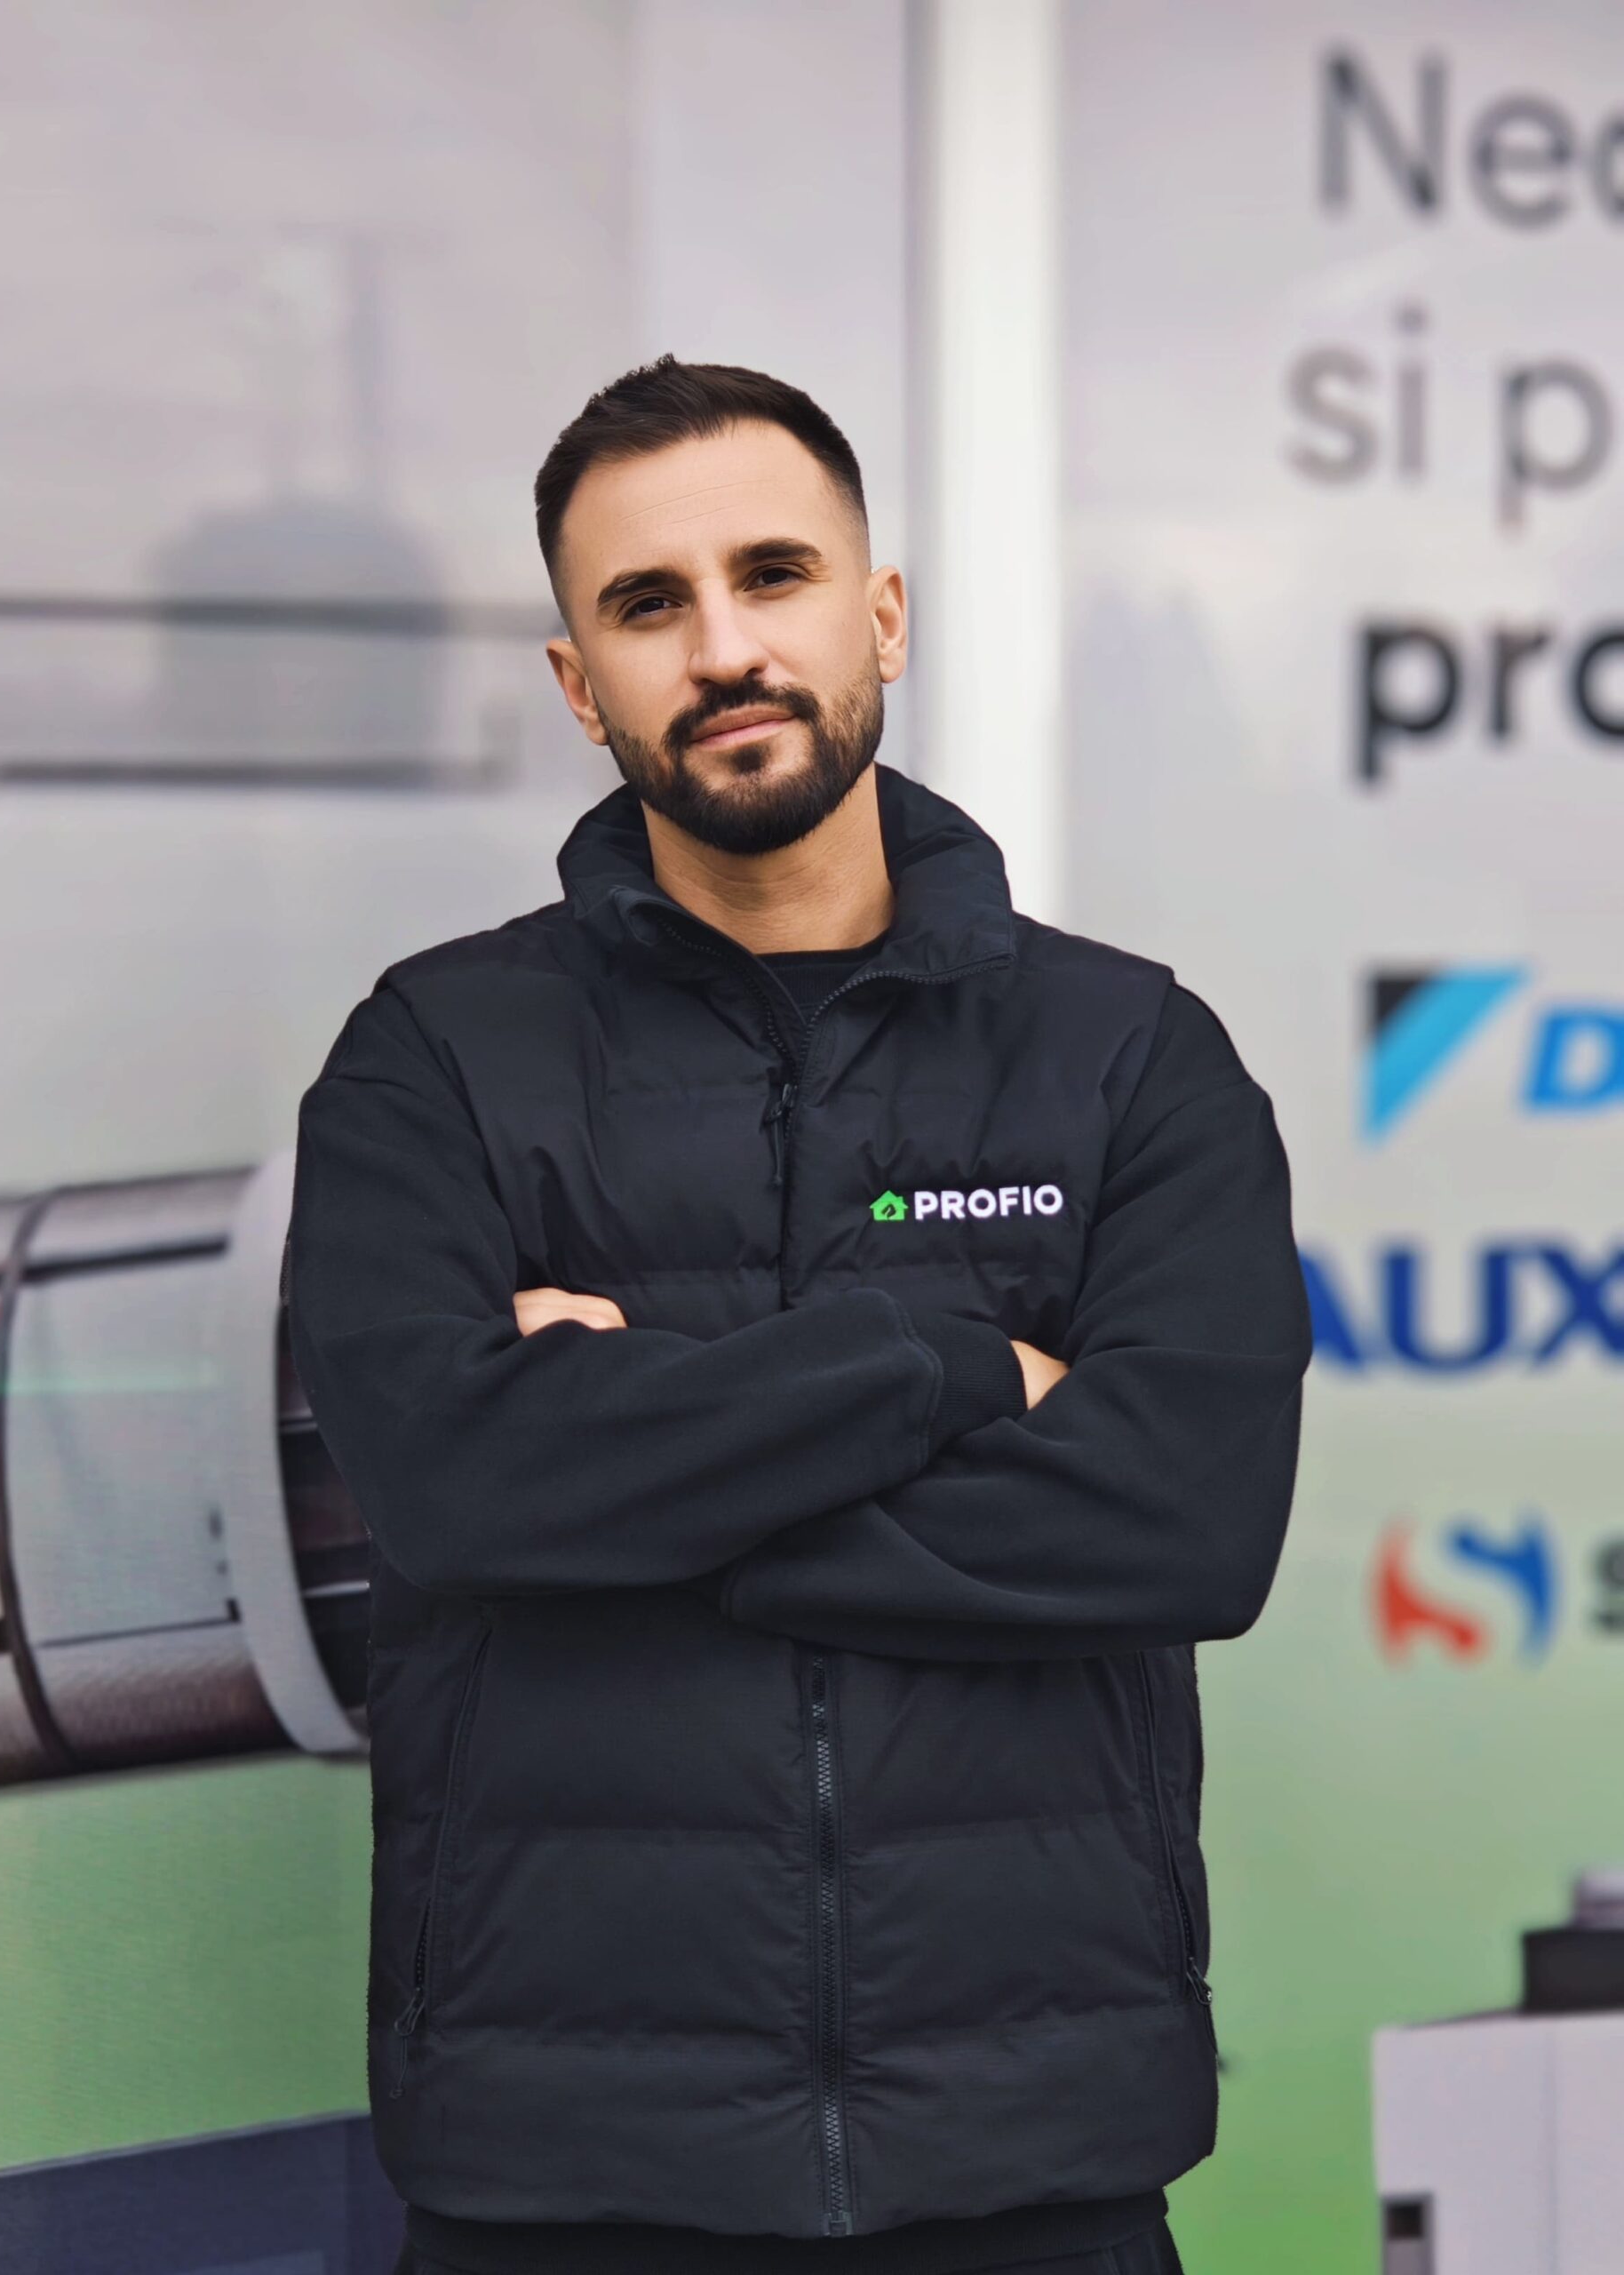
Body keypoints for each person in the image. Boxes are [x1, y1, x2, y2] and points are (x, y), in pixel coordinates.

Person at [284, 356, 1313, 2275]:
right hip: (565, 2173)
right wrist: (940, 1364)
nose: (725, 648)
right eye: (648, 603)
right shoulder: (435, 1059)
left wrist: (629, 1479)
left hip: (1030, 2156)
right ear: (580, 682)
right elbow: (459, 1493)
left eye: (775, 574)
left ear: (882, 615)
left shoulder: (1129, 1058)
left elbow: (1183, 1524)